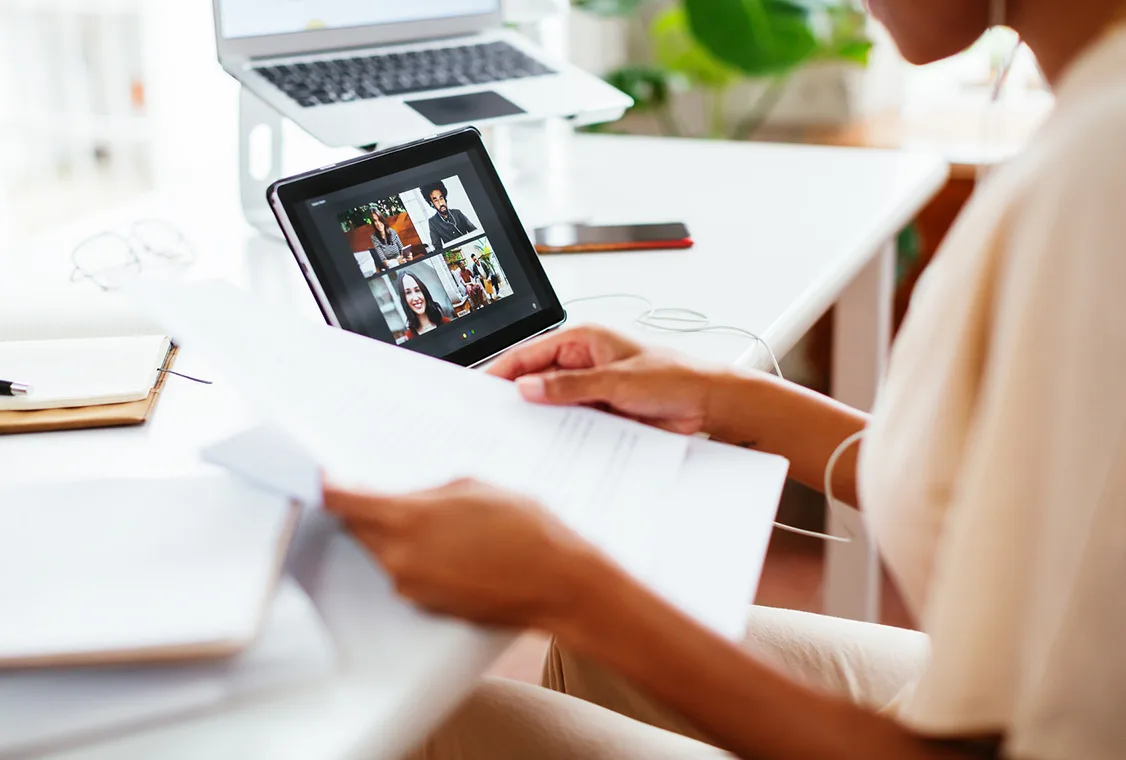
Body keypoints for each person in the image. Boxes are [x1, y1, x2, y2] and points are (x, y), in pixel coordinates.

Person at [325, 1, 1126, 757]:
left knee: (429, 719)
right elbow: (1020, 496)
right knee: (603, 641)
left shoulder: (1094, 179)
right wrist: (730, 398)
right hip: (980, 685)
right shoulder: (1091, 115)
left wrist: (570, 588)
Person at [423, 180, 477, 250]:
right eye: (436, 200)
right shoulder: (432, 222)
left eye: (441, 198)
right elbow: (437, 246)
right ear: (431, 203)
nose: (440, 203)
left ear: (445, 199)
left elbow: (473, 230)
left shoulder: (457, 212)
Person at [396, 272, 450, 339]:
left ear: (424, 293)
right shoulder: (409, 336)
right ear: (404, 299)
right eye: (408, 292)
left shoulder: (446, 322)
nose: (415, 298)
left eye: (417, 290)